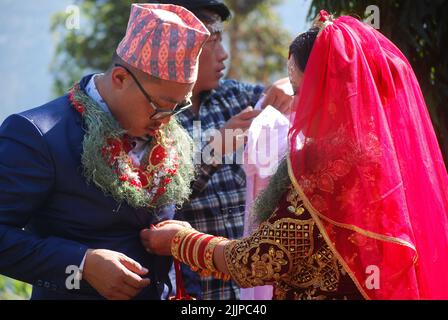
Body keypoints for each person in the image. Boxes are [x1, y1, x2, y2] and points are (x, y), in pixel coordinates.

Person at [142, 11, 448, 300]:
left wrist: (180, 241)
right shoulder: (393, 155)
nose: (297, 105)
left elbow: (258, 260)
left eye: (301, 91)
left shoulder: (328, 170)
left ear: (330, 92)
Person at [0, 3, 210, 300]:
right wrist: (81, 264)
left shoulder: (166, 130)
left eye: (179, 106)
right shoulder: (38, 134)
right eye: (160, 105)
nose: (168, 118)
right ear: (120, 79)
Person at [152, 0, 293, 300]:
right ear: (181, 49)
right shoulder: (155, 115)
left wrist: (289, 86)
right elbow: (161, 200)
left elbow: (287, 97)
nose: (224, 54)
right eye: (212, 43)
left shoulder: (237, 96)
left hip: (259, 286)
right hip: (201, 292)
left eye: (221, 41)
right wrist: (215, 149)